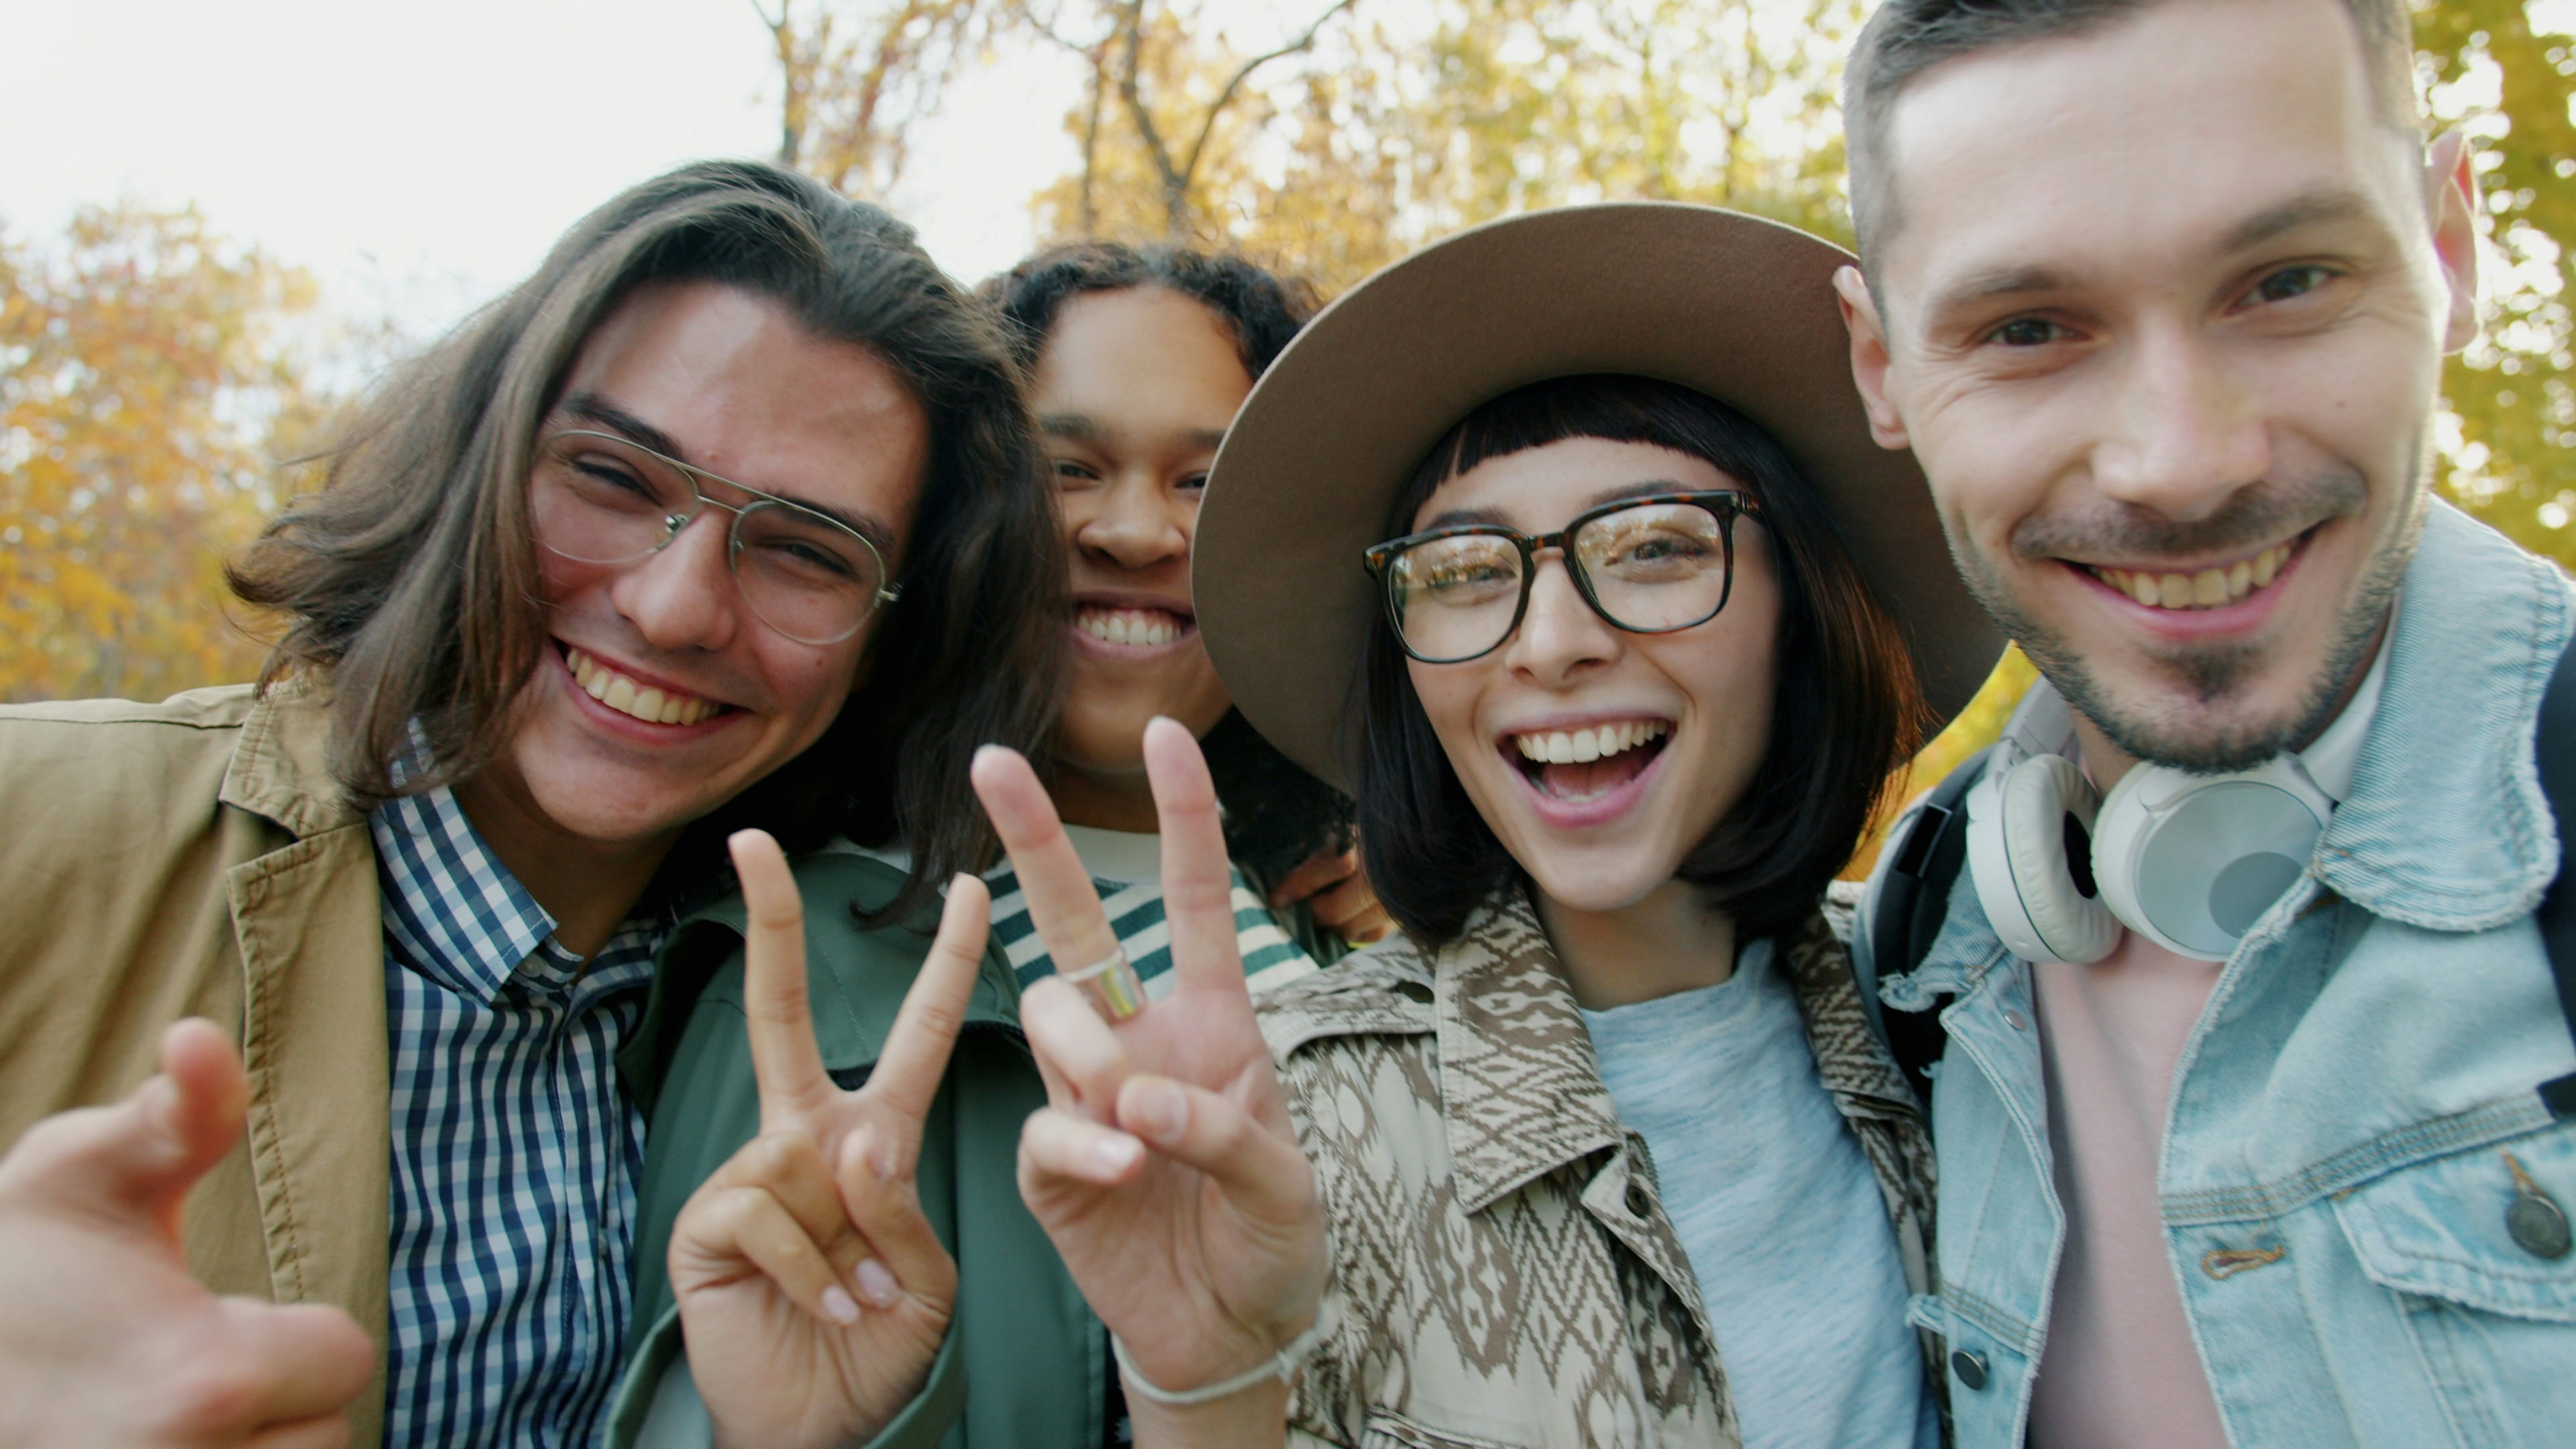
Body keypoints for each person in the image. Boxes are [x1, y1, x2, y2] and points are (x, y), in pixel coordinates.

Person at [0, 159, 1059, 1448]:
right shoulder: (35, 823)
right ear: (478, 460)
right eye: (613, 477)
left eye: (803, 552)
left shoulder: (815, 1015)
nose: (673, 608)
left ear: (895, 639)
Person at [982, 203, 2006, 1447]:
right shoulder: (1298, 1120)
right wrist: (1204, 1395)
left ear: (1804, 602)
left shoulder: (1963, 1020)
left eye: (1654, 549)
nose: (1556, 641)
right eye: (1465, 571)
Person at [1830, 1, 2576, 1445]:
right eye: (2030, 328)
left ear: (2450, 248)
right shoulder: (1927, 940)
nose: (2178, 462)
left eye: (2287, 280)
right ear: (1881, 368)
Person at [605, 242, 1379, 1449]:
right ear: (962, 522)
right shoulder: (805, 983)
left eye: (1203, 482)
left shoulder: (1342, 939)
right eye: (1066, 468)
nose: (1133, 531)